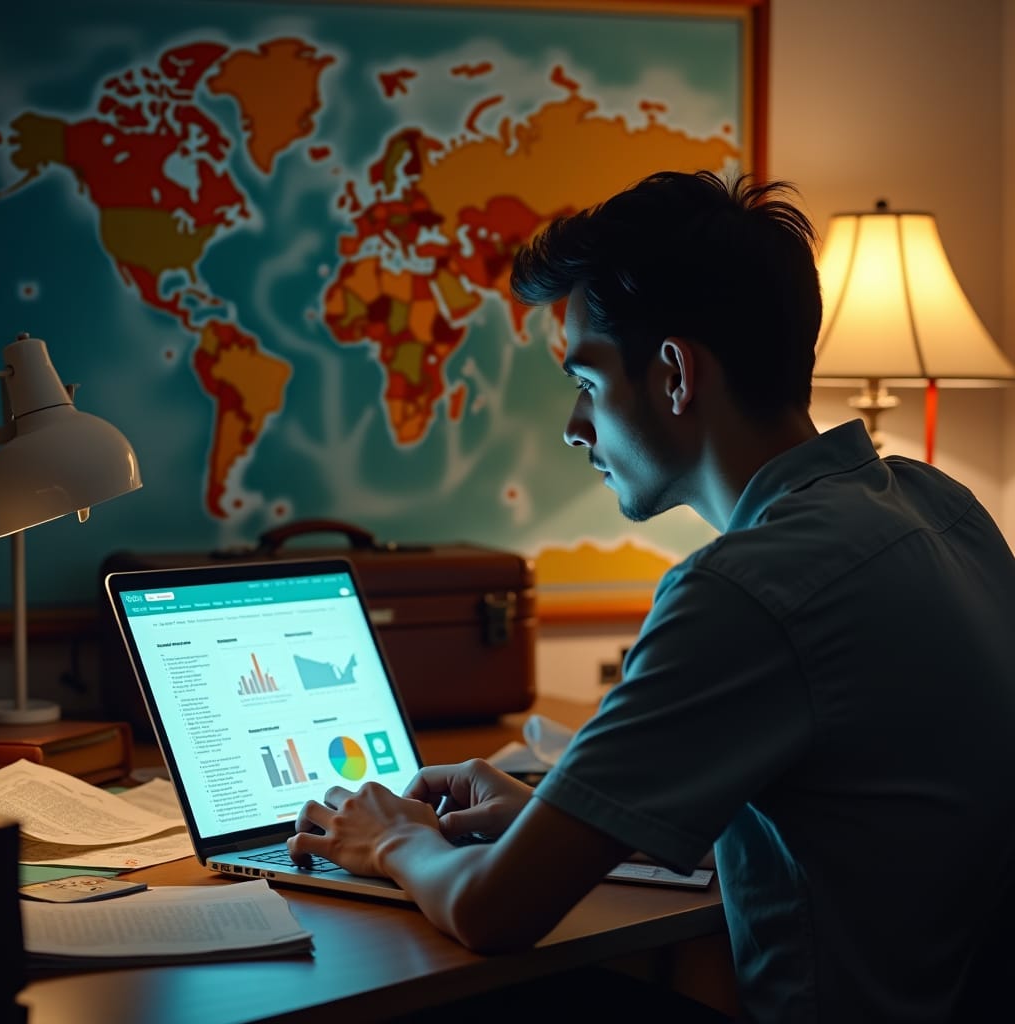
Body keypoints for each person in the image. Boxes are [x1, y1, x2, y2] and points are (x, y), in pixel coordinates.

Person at [289, 170, 1015, 1022]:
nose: (573, 425)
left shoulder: (741, 590)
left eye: (588, 381)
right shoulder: (941, 506)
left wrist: (392, 838)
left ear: (673, 373)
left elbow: (493, 911)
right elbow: (855, 811)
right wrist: (564, 820)